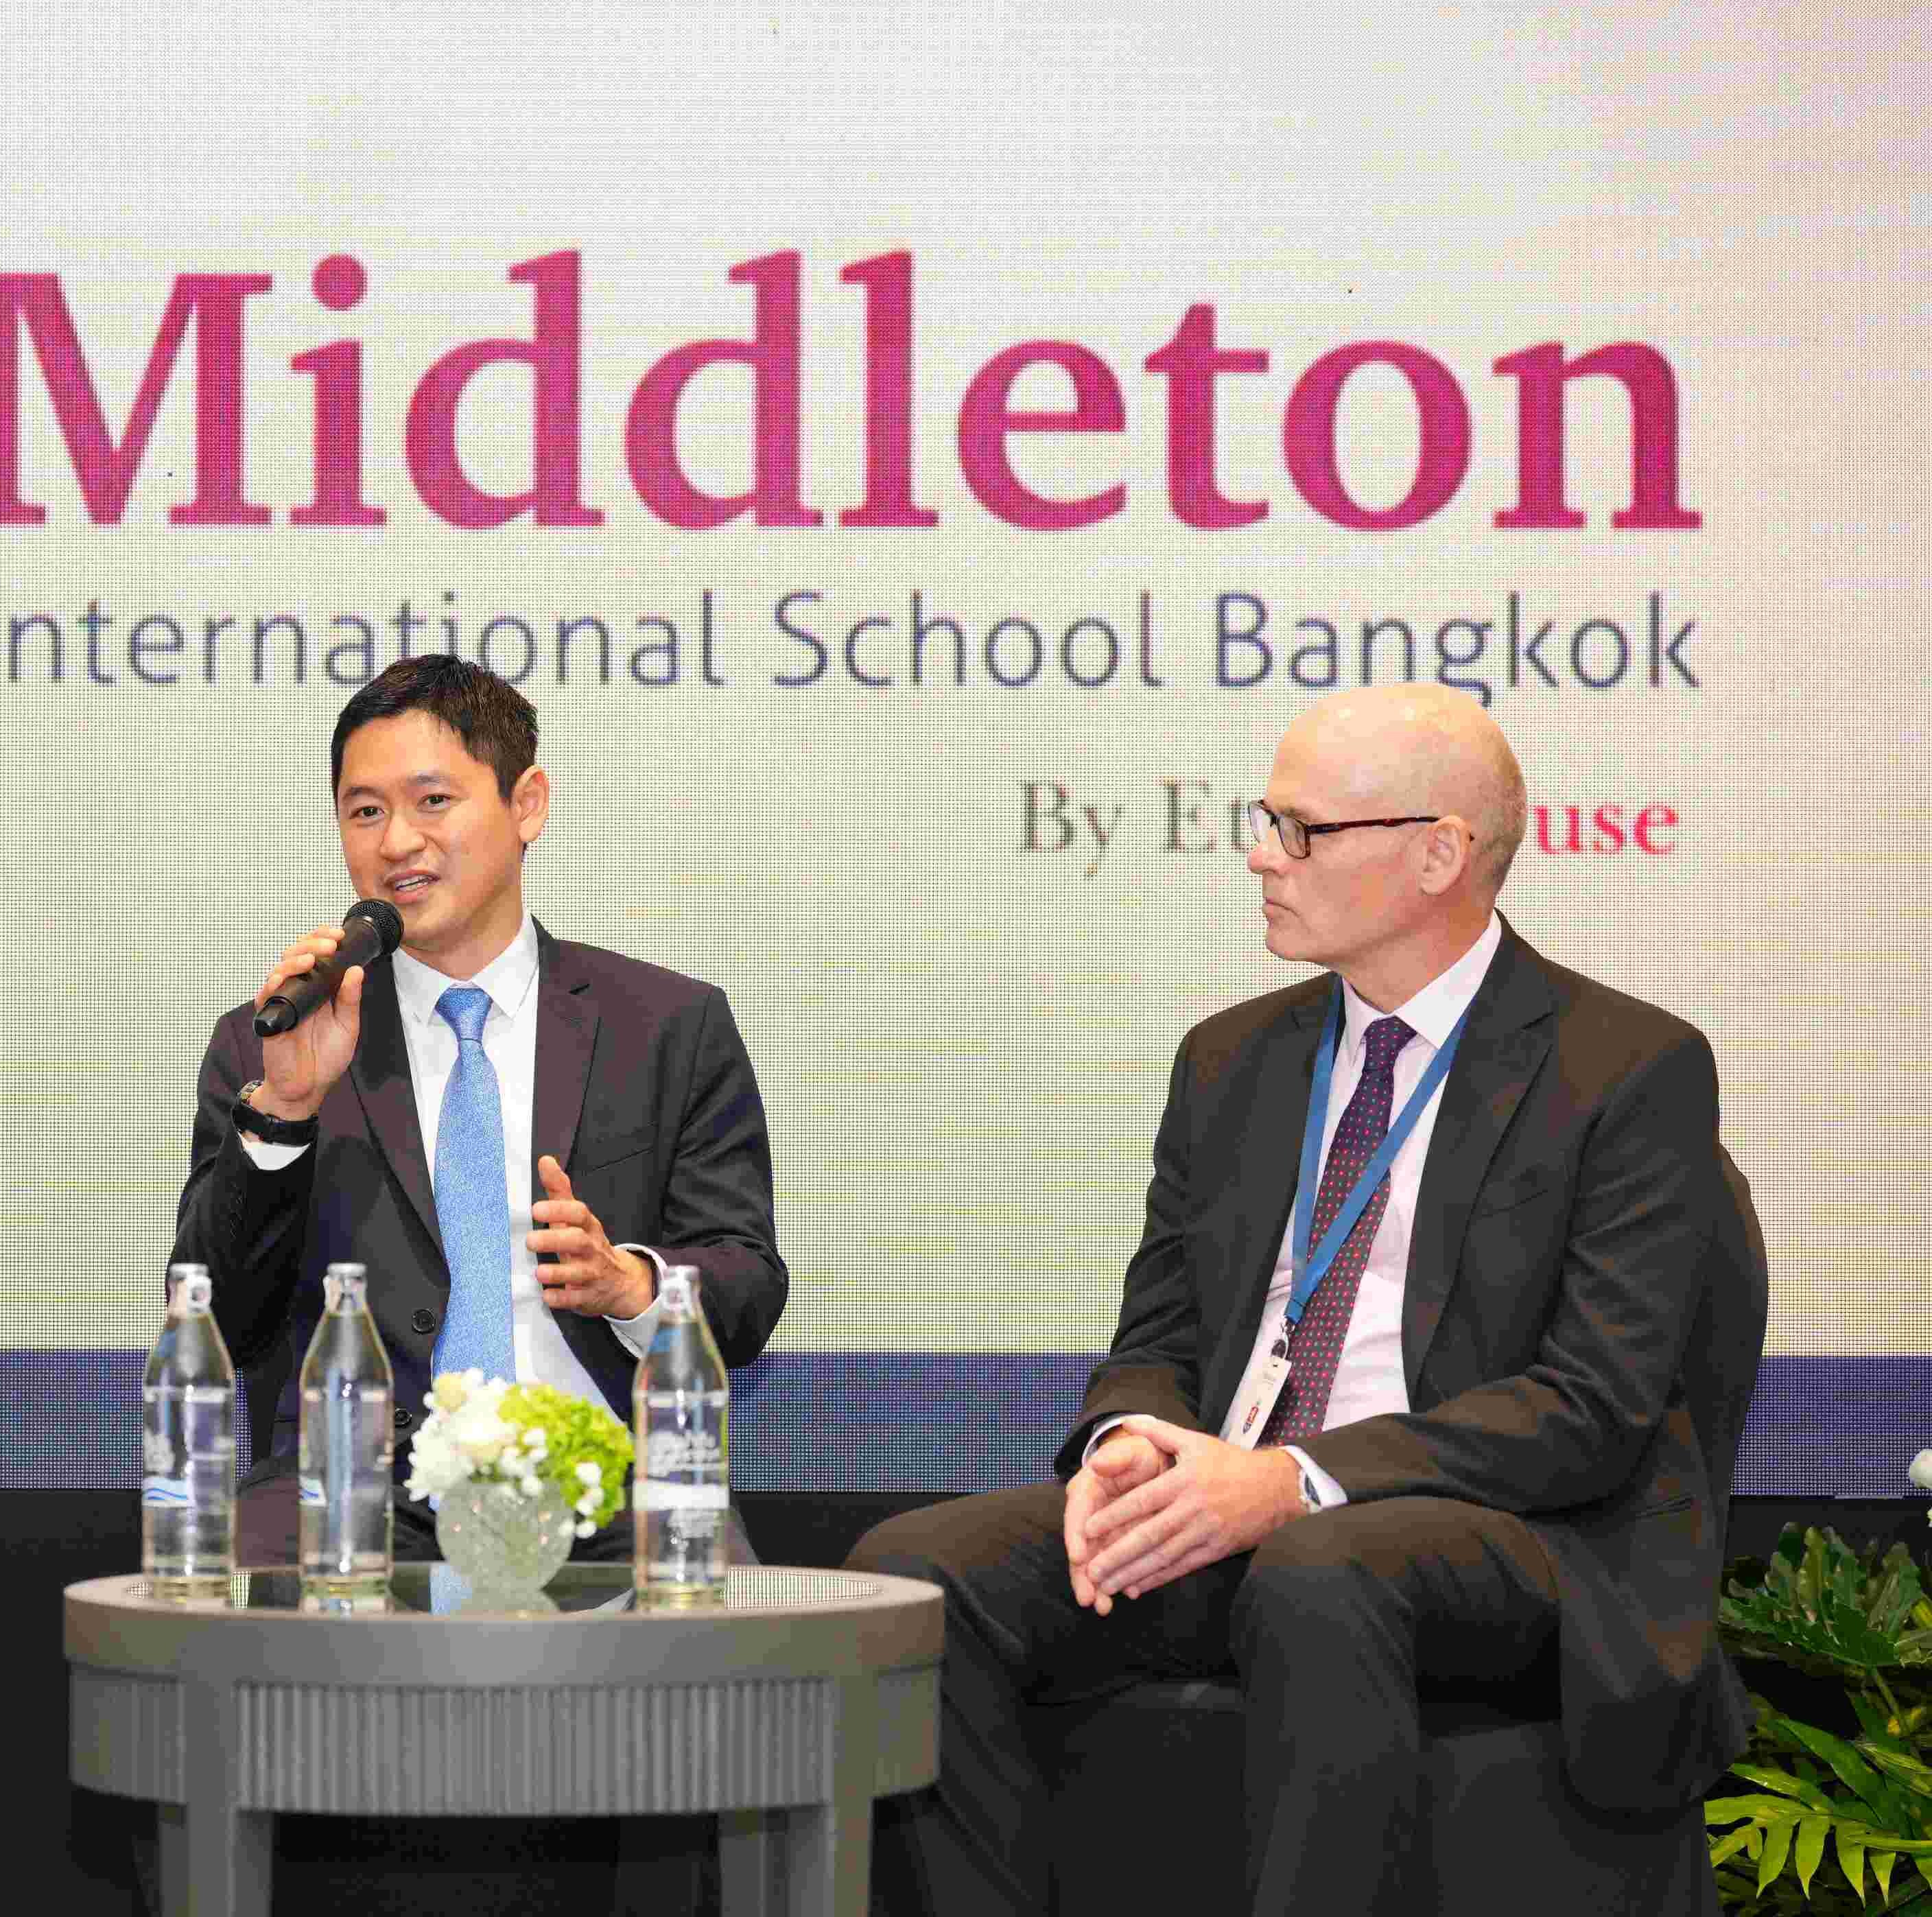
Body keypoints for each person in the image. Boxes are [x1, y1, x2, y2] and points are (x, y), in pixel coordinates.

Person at [851, 683, 1757, 1914]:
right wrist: (1134, 1440)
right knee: (916, 1573)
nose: (1261, 856)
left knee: (1319, 1569)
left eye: (1301, 830)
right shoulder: (1235, 1058)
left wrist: (1292, 1482)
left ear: (1438, 854)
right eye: (1266, 822)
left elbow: (1591, 1406)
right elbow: (1162, 1331)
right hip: (1245, 1510)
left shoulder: (1627, 1067)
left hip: (1507, 1535)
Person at [172, 655, 788, 1566]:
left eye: (433, 802)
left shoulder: (667, 1026)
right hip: (348, 1486)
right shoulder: (276, 1041)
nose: (397, 843)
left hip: (602, 1486)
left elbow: (747, 1288)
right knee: (231, 1581)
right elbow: (215, 1322)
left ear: (527, 804)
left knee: (727, 1609)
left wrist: (631, 1284)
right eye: (364, 812)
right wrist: (286, 1110)